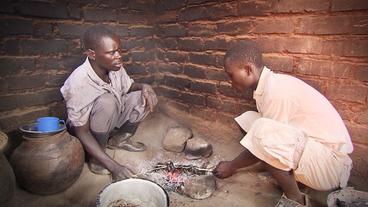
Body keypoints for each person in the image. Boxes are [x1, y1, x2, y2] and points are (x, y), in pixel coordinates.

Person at [213, 41, 353, 206]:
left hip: (330, 167)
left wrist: (232, 166)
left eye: (231, 75)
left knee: (261, 131)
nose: (230, 81)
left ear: (248, 69)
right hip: (315, 153)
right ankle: (280, 170)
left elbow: (264, 138)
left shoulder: (275, 91)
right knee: (248, 119)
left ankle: (295, 199)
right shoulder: (266, 87)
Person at [60, 25, 158, 181]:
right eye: (112, 52)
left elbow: (128, 87)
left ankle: (119, 139)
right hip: (87, 131)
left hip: (109, 117)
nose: (119, 56)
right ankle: (97, 158)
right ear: (92, 54)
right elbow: (81, 132)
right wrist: (114, 167)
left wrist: (145, 87)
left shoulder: (115, 66)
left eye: (119, 50)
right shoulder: (78, 82)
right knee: (107, 101)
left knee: (144, 96)